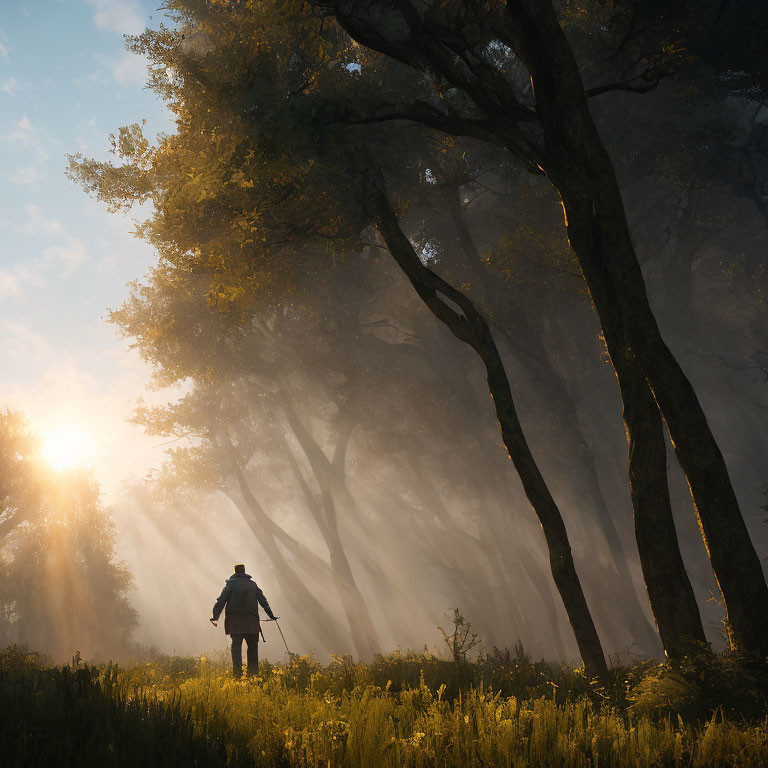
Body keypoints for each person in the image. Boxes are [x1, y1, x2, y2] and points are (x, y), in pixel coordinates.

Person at [210, 563, 279, 678]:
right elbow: (263, 601)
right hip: (252, 624)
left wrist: (215, 617)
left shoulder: (230, 585)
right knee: (253, 650)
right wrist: (271, 615)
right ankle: (253, 676)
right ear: (244, 571)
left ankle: (237, 676)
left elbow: (220, 601)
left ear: (235, 571)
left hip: (235, 624)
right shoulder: (253, 585)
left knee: (236, 650)